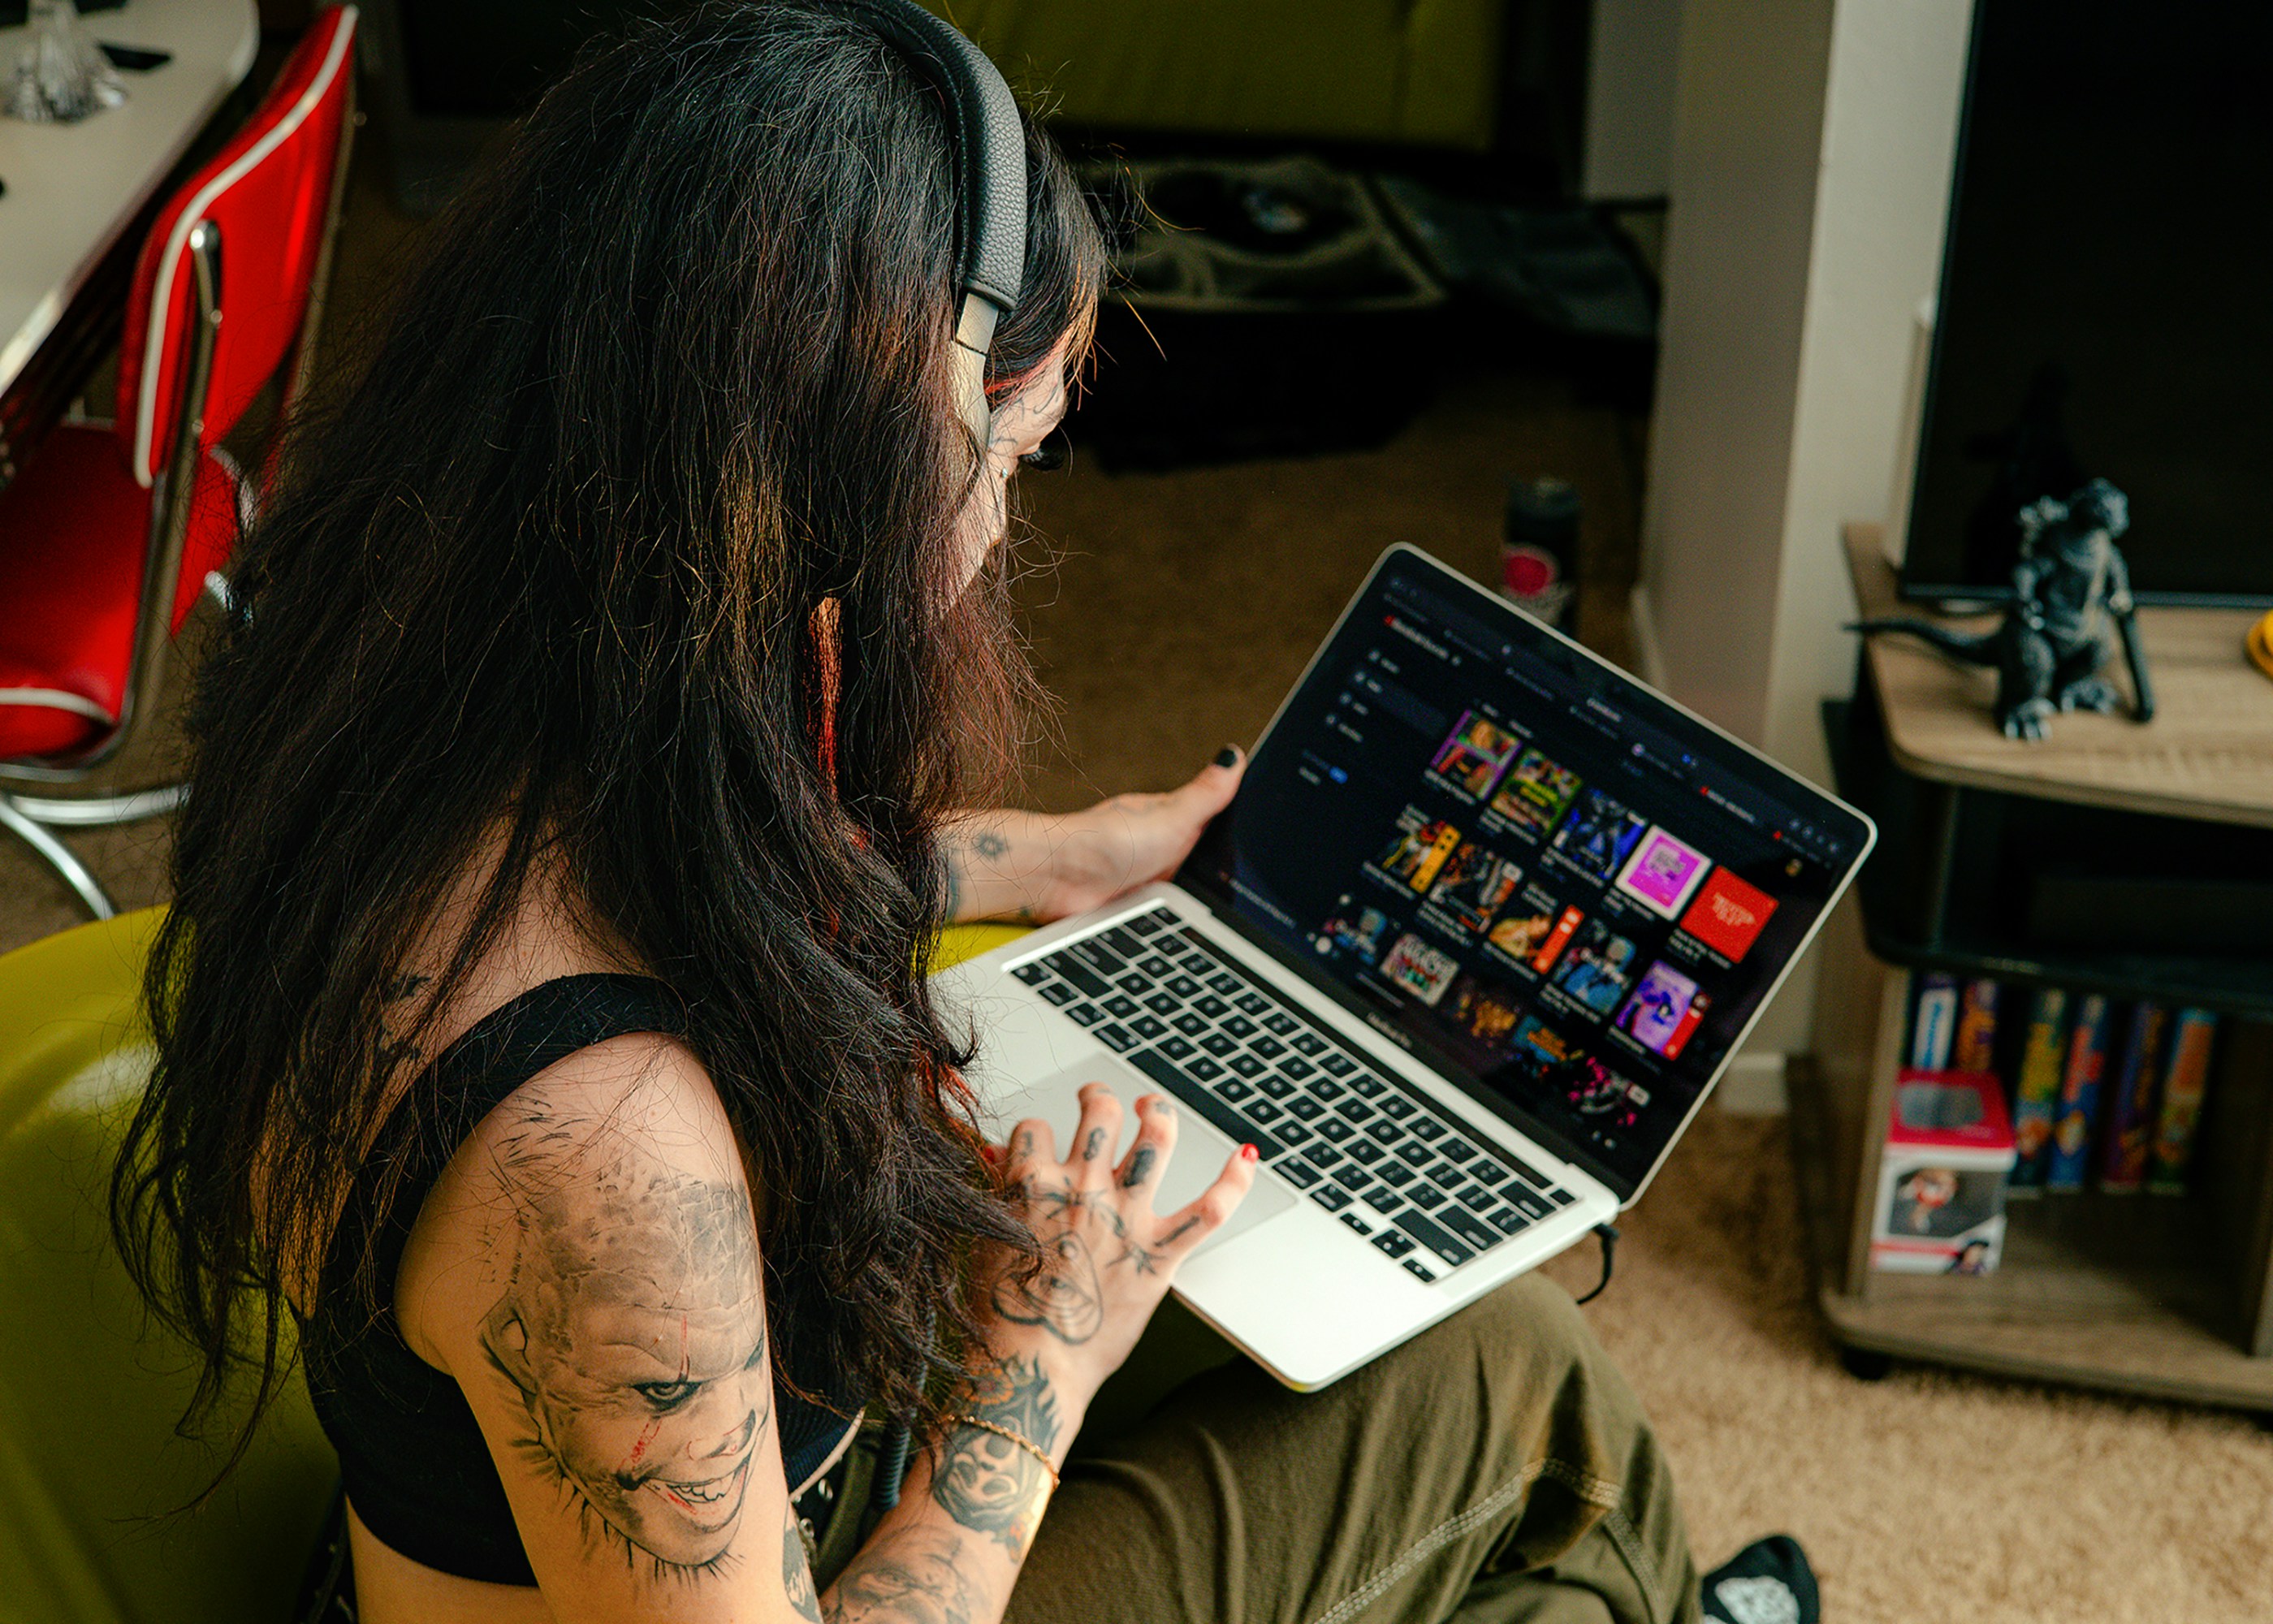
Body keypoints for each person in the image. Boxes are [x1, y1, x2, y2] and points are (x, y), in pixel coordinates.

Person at [112, 5, 1821, 1622]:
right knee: (1505, 1388)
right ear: (854, 470)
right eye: (998, 461)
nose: (998, 530)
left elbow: (684, 880)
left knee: (1350, 1307)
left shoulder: (443, 683)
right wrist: (1030, 1374)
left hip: (698, 1482)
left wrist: (1055, 855)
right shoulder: (606, 1162)